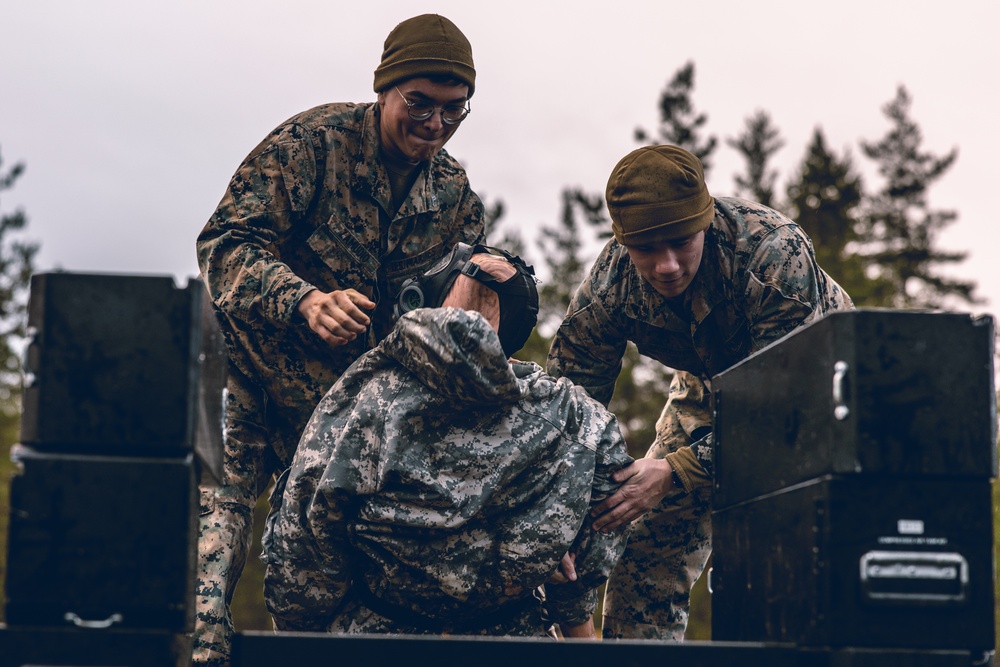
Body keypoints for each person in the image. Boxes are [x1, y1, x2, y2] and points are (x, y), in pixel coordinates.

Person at [194, 14, 485, 665]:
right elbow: (222, 245)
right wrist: (303, 301)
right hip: (248, 378)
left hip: (345, 416)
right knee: (207, 569)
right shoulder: (312, 144)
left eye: (454, 110)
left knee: (326, 595)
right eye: (420, 104)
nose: (435, 124)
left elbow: (459, 311)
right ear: (385, 88)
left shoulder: (455, 196)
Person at [546, 145, 854, 640]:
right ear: (623, 243)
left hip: (823, 387)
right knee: (644, 544)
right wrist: (553, 518)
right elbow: (565, 414)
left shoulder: (773, 256)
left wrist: (675, 471)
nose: (666, 265)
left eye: (680, 242)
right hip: (708, 384)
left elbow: (785, 415)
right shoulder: (610, 287)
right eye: (647, 249)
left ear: (705, 223)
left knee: (794, 551)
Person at [261, 245, 633, 638]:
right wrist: (568, 605)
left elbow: (305, 544)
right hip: (515, 644)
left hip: (376, 644)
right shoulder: (575, 416)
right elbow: (590, 548)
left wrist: (299, 629)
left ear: (424, 301)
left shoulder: (365, 398)